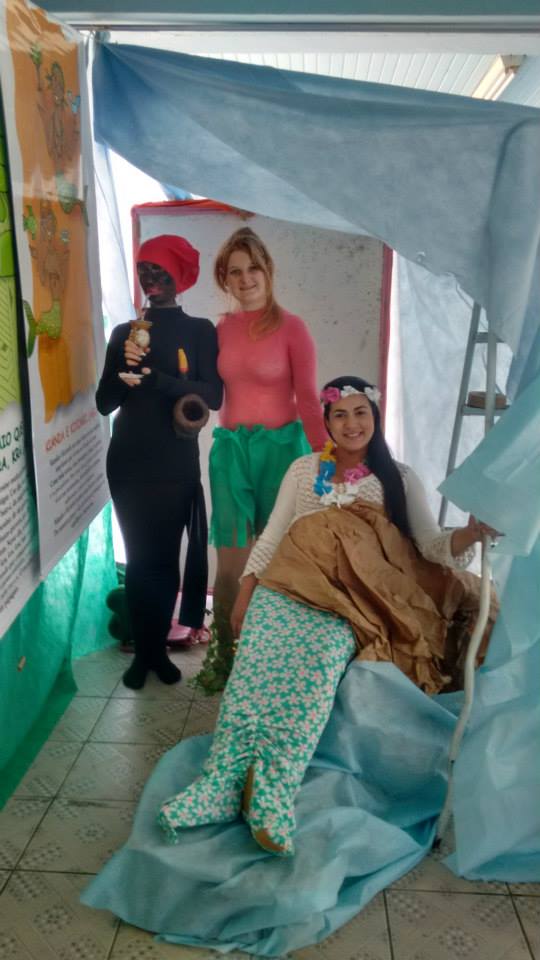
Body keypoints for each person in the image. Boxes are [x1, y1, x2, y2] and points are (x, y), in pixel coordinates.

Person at [158, 376, 499, 855]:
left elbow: (431, 547)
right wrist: (247, 591)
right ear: (327, 422)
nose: (351, 423)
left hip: (347, 602)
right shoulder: (303, 470)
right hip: (288, 585)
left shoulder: (400, 478)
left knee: (312, 672)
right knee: (256, 662)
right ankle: (222, 781)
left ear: (374, 417)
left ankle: (272, 792)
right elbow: (273, 535)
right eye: (340, 414)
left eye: (360, 413)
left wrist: (470, 533)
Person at [194, 226, 328, 693]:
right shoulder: (220, 330)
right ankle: (224, 658)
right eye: (234, 272)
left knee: (277, 560)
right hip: (231, 453)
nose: (245, 278)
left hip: (283, 453)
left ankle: (272, 658)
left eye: (253, 268)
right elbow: (206, 390)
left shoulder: (293, 328)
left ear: (268, 271)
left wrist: (325, 459)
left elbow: (308, 398)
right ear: (224, 279)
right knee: (231, 563)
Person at [95, 234, 223, 690]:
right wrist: (124, 371)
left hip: (175, 463)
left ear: (180, 275)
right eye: (144, 270)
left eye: (160, 269)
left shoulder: (200, 330)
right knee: (139, 559)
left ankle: (159, 652)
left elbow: (213, 394)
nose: (151, 278)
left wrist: (160, 379)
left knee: (166, 559)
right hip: (128, 462)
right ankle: (144, 652)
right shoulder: (124, 333)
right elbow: (104, 403)